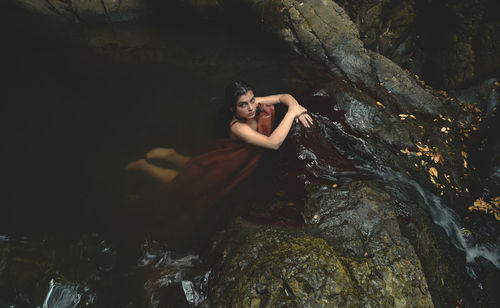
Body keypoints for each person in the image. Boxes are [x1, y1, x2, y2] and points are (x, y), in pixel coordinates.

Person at [125, 80, 312, 240]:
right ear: (233, 108)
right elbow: (273, 143)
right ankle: (145, 166)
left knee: (196, 169)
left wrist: (295, 106)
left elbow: (283, 97)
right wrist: (291, 114)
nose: (251, 108)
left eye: (252, 100)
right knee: (191, 184)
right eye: (243, 105)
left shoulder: (254, 107)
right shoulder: (239, 127)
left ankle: (172, 155)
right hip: (228, 160)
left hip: (233, 158)